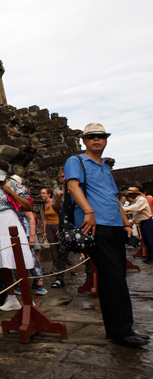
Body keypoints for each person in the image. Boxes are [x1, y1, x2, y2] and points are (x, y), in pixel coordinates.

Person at [64, 123, 148, 348]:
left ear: (106, 140)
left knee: (115, 276)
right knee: (115, 278)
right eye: (91, 137)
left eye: (101, 136)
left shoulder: (105, 167)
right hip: (95, 225)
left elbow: (114, 196)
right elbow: (73, 187)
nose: (96, 140)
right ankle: (123, 331)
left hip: (114, 227)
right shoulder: (77, 161)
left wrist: (125, 224)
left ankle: (116, 329)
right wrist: (89, 211)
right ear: (84, 140)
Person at [0, 159, 34, 312]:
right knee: (2, 263)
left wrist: (10, 192)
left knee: (19, 261)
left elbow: (29, 205)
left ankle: (27, 297)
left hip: (10, 222)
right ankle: (11, 298)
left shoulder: (15, 186)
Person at [10, 175, 46, 295]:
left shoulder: (22, 201)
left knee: (32, 259)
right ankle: (21, 285)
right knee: (16, 261)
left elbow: (31, 218)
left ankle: (40, 284)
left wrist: (31, 236)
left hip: (24, 234)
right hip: (14, 235)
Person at [39, 187, 67, 288]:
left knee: (62, 247)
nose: (42, 195)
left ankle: (70, 267)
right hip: (50, 227)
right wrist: (45, 231)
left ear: (49, 194)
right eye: (41, 193)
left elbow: (60, 215)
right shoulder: (43, 206)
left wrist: (61, 227)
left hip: (57, 225)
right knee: (53, 249)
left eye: (44, 193)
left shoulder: (55, 203)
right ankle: (56, 269)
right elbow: (44, 219)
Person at [123, 187, 153, 264]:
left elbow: (136, 208)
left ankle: (152, 256)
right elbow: (137, 213)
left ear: (135, 194)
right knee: (146, 241)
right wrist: (132, 221)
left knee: (150, 241)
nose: (129, 196)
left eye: (130, 194)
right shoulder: (136, 201)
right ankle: (150, 256)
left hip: (147, 222)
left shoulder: (141, 200)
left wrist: (123, 209)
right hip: (143, 222)